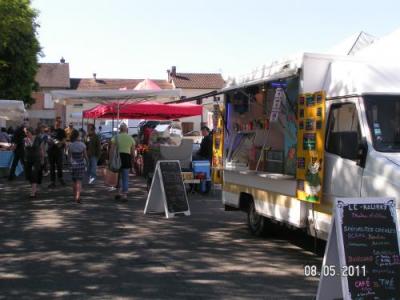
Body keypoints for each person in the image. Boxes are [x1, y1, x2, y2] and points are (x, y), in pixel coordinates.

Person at [110, 123, 135, 201]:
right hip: (126, 158)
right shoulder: (131, 138)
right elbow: (133, 153)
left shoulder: (115, 137)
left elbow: (112, 150)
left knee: (118, 177)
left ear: (119, 129)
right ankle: (125, 195)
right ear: (126, 129)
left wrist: (110, 160)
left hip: (117, 158)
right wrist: (132, 163)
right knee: (125, 177)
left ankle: (118, 193)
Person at [24, 127, 44, 198]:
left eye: (27, 132)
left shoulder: (38, 138)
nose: (26, 134)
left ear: (31, 132)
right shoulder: (25, 139)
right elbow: (25, 150)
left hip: (36, 159)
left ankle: (33, 192)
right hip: (28, 159)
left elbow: (41, 149)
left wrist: (42, 159)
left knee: (34, 174)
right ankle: (34, 188)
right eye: (26, 133)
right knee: (29, 175)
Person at [68, 129, 87, 203]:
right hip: (80, 164)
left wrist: (69, 163)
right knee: (79, 181)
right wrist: (88, 162)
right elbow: (85, 156)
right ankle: (78, 196)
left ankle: (74, 195)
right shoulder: (82, 144)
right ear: (78, 136)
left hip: (73, 164)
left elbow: (69, 156)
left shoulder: (71, 145)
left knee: (74, 181)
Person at [48, 119, 66, 188]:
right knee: (52, 167)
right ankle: (52, 181)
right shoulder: (51, 130)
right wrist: (51, 140)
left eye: (59, 122)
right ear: (55, 122)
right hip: (51, 150)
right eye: (57, 122)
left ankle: (60, 179)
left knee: (59, 166)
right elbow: (48, 138)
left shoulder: (62, 131)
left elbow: (64, 140)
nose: (58, 123)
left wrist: (59, 143)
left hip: (59, 150)